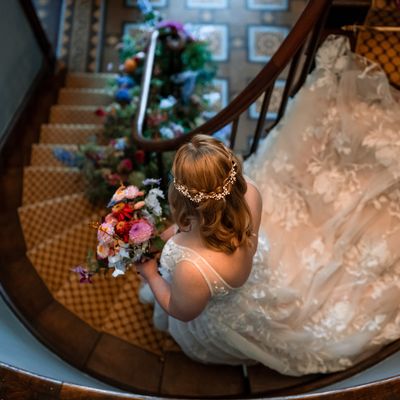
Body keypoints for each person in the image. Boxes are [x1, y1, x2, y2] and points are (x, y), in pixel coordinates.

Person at [135, 35, 400, 376]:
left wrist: (149, 272)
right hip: (245, 274)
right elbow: (201, 231)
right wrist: (174, 235)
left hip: (216, 313)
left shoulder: (190, 268)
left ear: (183, 204)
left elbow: (181, 309)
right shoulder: (251, 195)